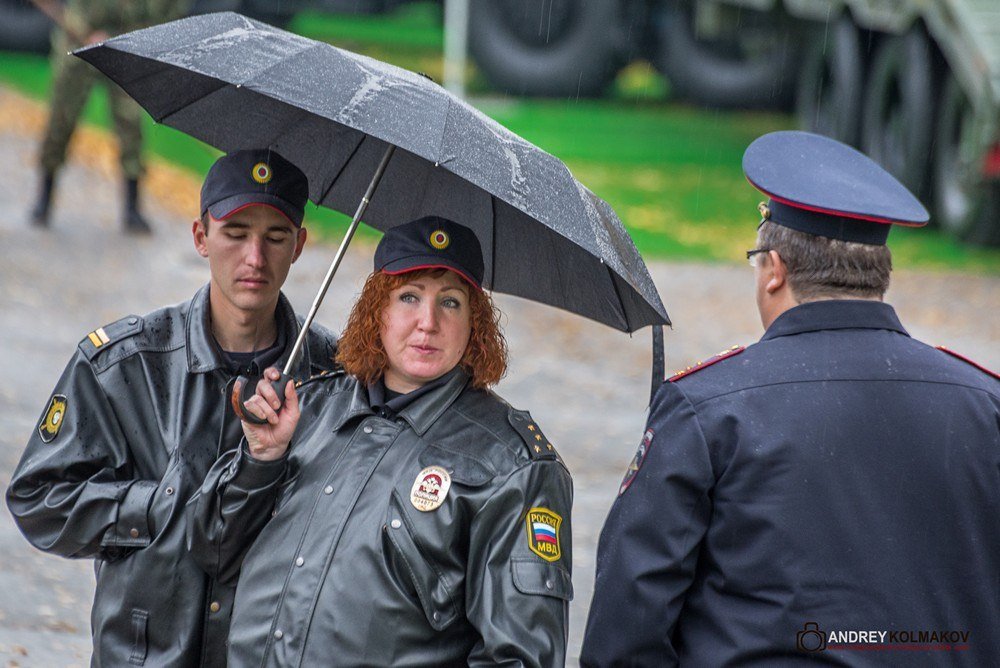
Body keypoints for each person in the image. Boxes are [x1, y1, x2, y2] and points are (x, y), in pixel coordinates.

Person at [580, 131, 1000, 666]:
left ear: (774, 268)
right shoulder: (984, 405)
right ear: (877, 275)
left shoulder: (707, 407)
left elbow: (627, 627)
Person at [187, 215, 574, 666]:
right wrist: (262, 461)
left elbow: (520, 657)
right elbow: (210, 548)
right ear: (378, 311)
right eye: (408, 297)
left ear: (476, 323)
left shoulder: (514, 466)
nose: (427, 322)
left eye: (450, 302)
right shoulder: (307, 409)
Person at [7, 148, 338, 666]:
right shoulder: (124, 366)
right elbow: (39, 498)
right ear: (200, 237)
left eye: (275, 237)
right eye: (235, 233)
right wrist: (162, 507)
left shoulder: (333, 376)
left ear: (298, 246)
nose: (255, 257)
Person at [30, 0, 190, 233]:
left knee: (131, 125)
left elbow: (171, 11)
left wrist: (146, 40)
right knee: (61, 120)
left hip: (123, 47)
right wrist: (83, 31)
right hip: (79, 43)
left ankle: (132, 209)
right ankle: (43, 199)